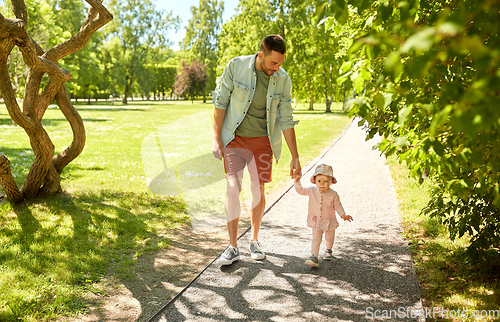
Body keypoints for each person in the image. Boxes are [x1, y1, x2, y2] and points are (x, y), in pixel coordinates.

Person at [212, 35, 301, 266]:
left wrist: (295, 156)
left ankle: (254, 240)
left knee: (258, 189)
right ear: (261, 55)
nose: (277, 68)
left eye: (281, 64)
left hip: (263, 140)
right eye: (273, 63)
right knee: (233, 187)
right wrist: (216, 139)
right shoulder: (236, 66)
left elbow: (286, 118)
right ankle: (232, 246)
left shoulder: (282, 79)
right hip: (234, 138)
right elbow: (220, 103)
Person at [294, 163, 353, 267]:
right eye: (319, 181)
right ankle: (314, 256)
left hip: (329, 219)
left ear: (330, 181)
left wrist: (343, 215)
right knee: (316, 238)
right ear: (315, 181)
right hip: (316, 219)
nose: (322, 184)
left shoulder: (333, 194)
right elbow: (301, 191)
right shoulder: (312, 190)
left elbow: (338, 206)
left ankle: (328, 250)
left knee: (329, 236)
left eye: (325, 181)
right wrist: (297, 182)